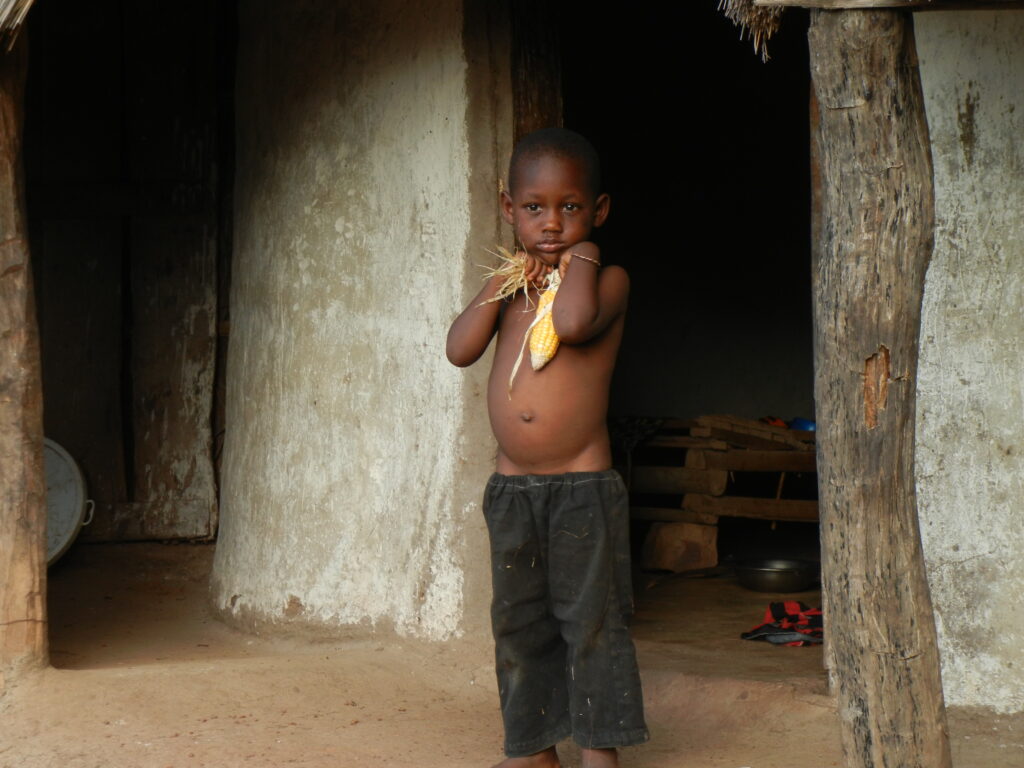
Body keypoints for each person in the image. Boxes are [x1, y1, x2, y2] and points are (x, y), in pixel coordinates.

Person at [446, 128, 648, 768]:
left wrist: (581, 256)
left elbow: (571, 324)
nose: (552, 223)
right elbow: (459, 350)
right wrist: (502, 281)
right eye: (535, 209)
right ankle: (532, 747)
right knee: (519, 623)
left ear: (599, 211)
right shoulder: (510, 290)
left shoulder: (606, 279)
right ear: (510, 210)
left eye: (571, 209)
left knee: (591, 621)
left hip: (581, 489)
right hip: (513, 491)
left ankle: (599, 749)